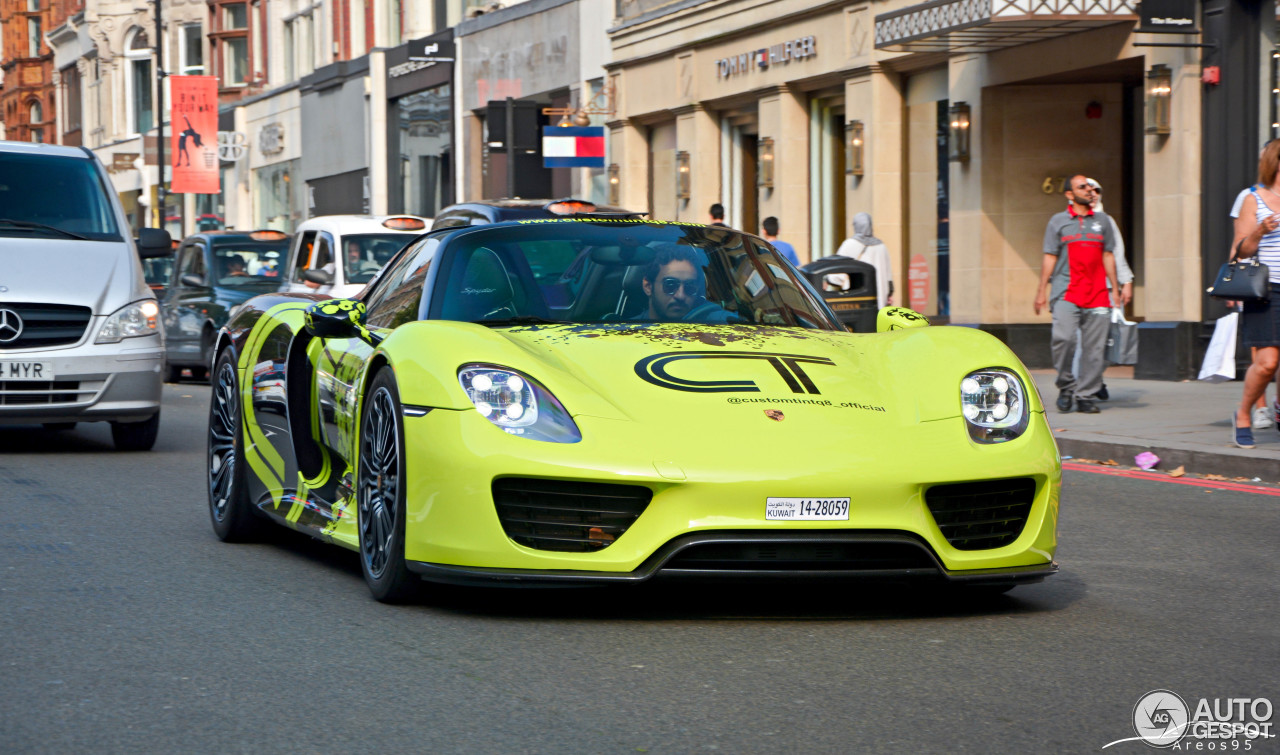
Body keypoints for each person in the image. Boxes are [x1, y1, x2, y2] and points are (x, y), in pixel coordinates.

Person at [1034, 174, 1119, 414]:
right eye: (1082, 187)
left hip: (1098, 293)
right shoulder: (1057, 221)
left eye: (1090, 186)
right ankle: (1066, 386)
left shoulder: (1103, 221)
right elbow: (1049, 256)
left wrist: (1115, 289)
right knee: (1064, 339)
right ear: (1069, 195)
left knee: (1095, 349)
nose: (1089, 190)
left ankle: (1085, 395)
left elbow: (1108, 255)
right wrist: (1041, 291)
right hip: (1066, 292)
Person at [1230, 139, 1280, 448]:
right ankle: (1243, 413)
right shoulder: (1251, 198)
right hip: (1267, 288)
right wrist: (1260, 231)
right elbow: (1241, 251)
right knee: (1267, 363)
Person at [1082, 178, 1135, 402]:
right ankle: (1081, 387)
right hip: (1080, 291)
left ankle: (1093, 380)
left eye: (1096, 190)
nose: (1092, 193)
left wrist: (1126, 282)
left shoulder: (1106, 221)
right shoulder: (1069, 221)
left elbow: (1116, 252)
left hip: (1105, 289)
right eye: (1087, 189)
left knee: (1106, 340)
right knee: (1082, 342)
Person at [834, 212, 893, 308]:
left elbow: (836, 274)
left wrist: (828, 280)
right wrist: (889, 293)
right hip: (879, 299)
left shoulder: (849, 244)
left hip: (856, 298)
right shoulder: (881, 246)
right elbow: (888, 276)